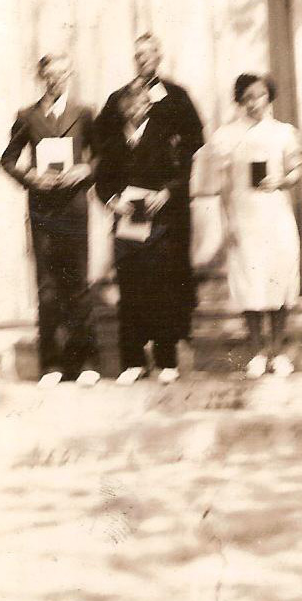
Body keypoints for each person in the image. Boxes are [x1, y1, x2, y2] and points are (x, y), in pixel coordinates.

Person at [95, 34, 204, 385]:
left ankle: (167, 355)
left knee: (166, 284)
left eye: (149, 54)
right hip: (128, 218)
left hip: (165, 213)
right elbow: (102, 160)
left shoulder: (175, 97)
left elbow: (190, 147)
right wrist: (112, 200)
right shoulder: (118, 106)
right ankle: (133, 360)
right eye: (138, 55)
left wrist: (169, 191)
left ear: (159, 56)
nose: (143, 59)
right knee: (130, 287)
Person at [0, 53, 100, 387]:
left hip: (74, 208)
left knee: (79, 285)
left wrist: (85, 170)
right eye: (51, 74)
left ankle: (86, 362)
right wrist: (31, 177)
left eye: (63, 74)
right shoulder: (27, 116)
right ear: (41, 77)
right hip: (43, 211)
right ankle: (51, 364)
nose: (57, 80)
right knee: (47, 289)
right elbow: (8, 160)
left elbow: (102, 155)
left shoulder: (84, 113)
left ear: (70, 75)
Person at [209, 72, 302, 379]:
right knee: (250, 283)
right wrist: (228, 222)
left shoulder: (283, 133)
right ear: (239, 100)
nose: (254, 103)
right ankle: (258, 352)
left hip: (275, 215)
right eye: (247, 97)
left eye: (260, 95)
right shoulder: (227, 136)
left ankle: (278, 351)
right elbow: (223, 185)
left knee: (278, 279)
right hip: (244, 217)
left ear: (268, 97)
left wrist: (281, 180)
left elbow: (296, 170)